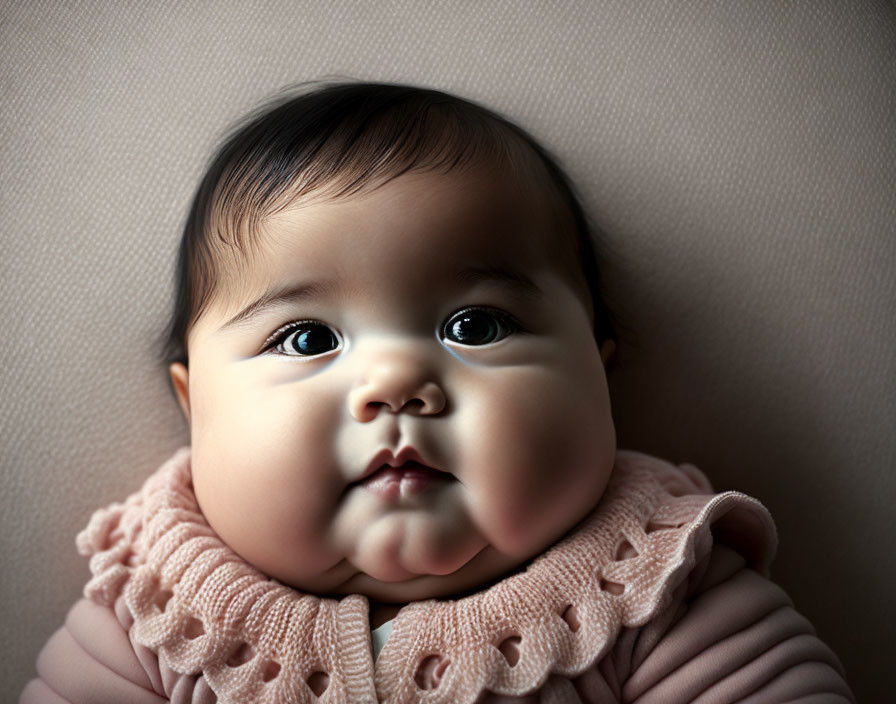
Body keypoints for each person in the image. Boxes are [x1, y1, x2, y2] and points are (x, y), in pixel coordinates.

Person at [20, 82, 855, 703]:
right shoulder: (158, 617)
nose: (395, 386)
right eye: (307, 339)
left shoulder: (653, 589)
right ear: (194, 408)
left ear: (598, 379)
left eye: (477, 326)